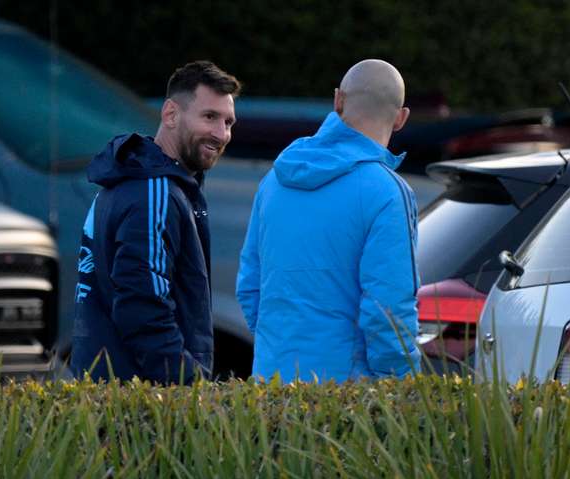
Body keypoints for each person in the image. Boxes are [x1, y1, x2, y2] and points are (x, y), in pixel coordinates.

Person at [236, 59, 420, 382]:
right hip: (343, 401)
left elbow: (250, 287)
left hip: (267, 386)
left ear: (338, 100)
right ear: (401, 118)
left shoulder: (273, 182)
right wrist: (402, 389)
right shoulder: (389, 194)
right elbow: (389, 312)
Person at [71, 60, 241, 383]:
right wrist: (190, 386)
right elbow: (142, 308)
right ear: (170, 114)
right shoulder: (154, 190)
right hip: (139, 405)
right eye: (209, 117)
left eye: (229, 122)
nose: (222, 134)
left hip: (106, 394)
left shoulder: (131, 180)